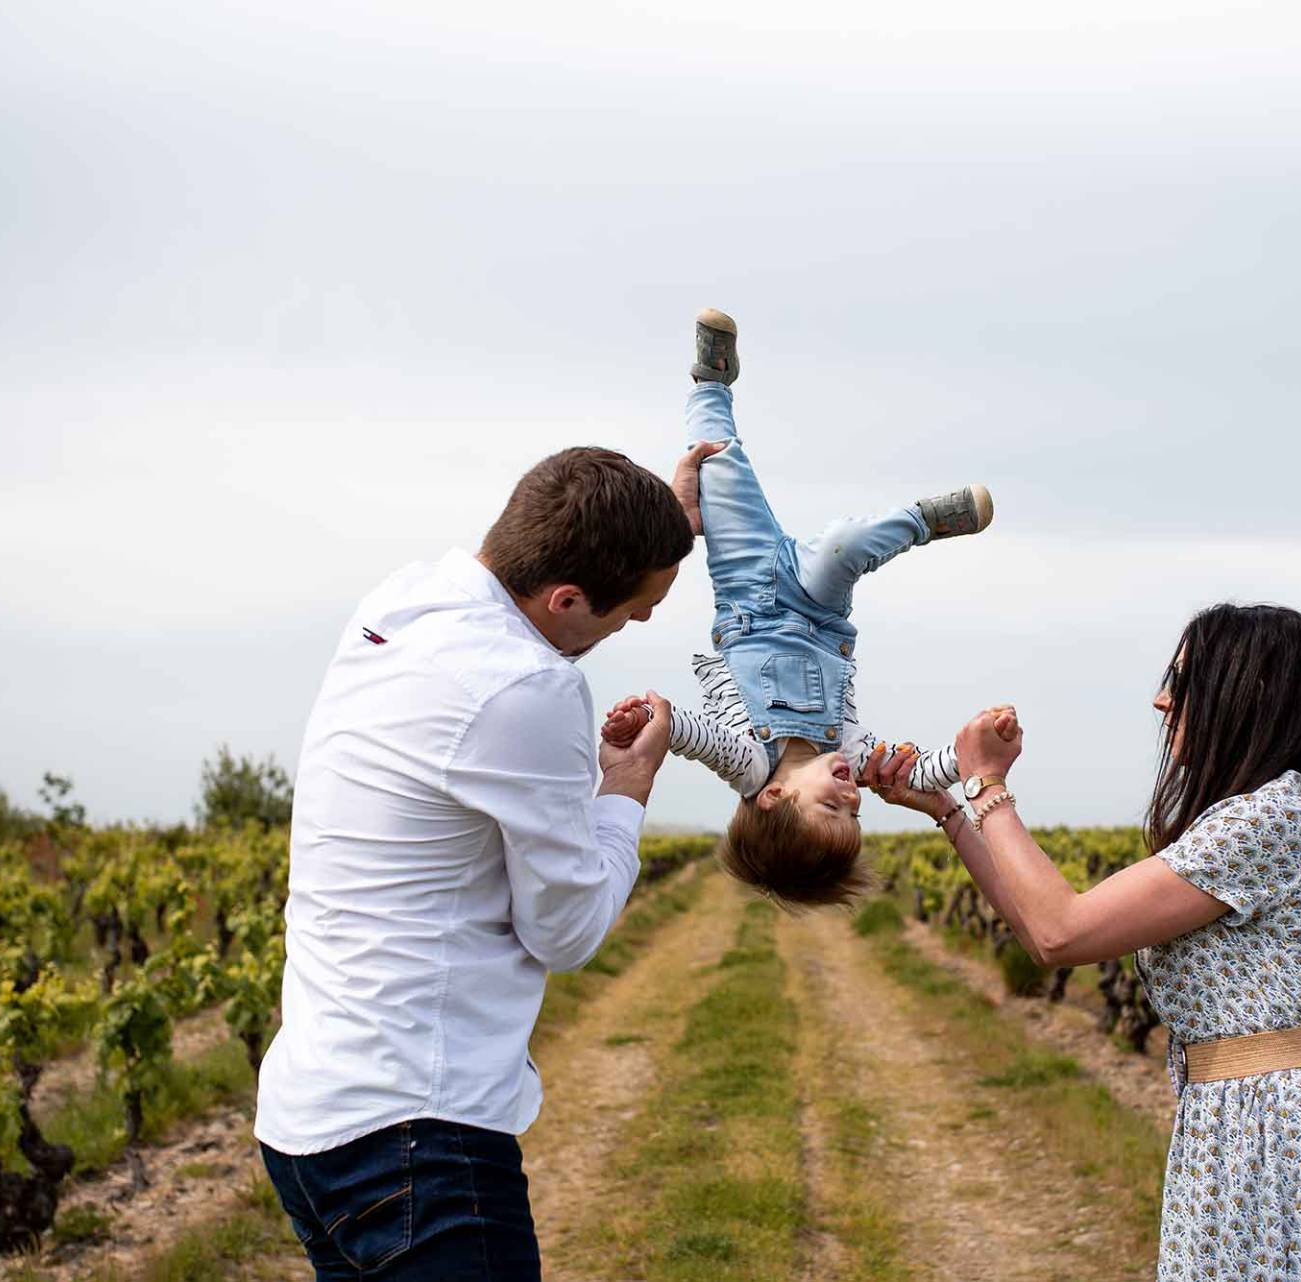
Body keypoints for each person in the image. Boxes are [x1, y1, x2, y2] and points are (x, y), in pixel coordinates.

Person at [864, 604, 1301, 1280]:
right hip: (1253, 1123)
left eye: (1183, 679)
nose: (1161, 698)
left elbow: (1060, 929)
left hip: (1284, 1135)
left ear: (1247, 694)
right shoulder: (1265, 814)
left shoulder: (1268, 818)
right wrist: (950, 810)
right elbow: (1040, 931)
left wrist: (987, 783)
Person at [254, 447, 695, 1281]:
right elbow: (567, 931)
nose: (629, 627)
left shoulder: (401, 603)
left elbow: (576, 553)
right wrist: (624, 789)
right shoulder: (527, 688)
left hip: (309, 1119)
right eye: (632, 611)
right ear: (566, 598)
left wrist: (661, 531)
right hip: (414, 1140)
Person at [598, 308, 994, 908]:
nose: (853, 797)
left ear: (774, 798)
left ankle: (710, 381)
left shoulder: (747, 761)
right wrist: (969, 756)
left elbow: (685, 732)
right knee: (843, 546)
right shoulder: (853, 755)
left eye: (832, 807)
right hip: (817, 609)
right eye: (855, 815)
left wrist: (645, 719)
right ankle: (923, 521)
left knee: (718, 463)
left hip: (747, 591)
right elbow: (918, 774)